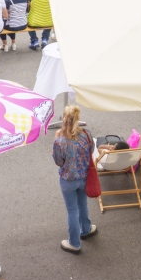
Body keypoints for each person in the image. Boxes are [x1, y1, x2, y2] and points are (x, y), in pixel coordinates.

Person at [52, 105, 96, 254]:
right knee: (82, 204)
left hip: (68, 179)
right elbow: (92, 150)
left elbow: (58, 161)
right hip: (84, 177)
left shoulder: (60, 140)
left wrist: (56, 140)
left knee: (72, 210)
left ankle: (74, 243)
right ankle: (86, 229)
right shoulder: (87, 134)